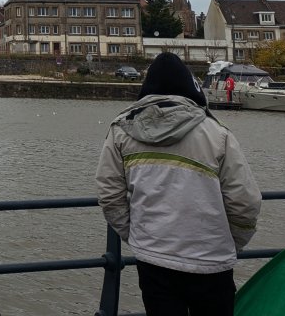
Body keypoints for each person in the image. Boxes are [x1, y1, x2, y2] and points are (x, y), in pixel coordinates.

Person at [95, 52, 262, 316]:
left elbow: (109, 194)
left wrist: (136, 235)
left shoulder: (121, 131)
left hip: (153, 259)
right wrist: (231, 242)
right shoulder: (218, 134)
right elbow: (245, 200)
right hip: (211, 262)